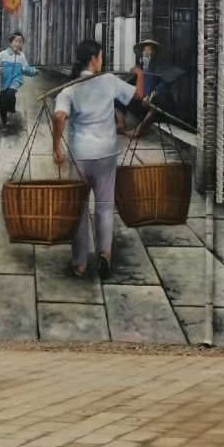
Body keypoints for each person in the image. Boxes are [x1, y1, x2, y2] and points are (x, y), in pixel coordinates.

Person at [52, 38, 150, 279]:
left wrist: (56, 147)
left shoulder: (69, 89)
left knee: (79, 209)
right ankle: (105, 254)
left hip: (80, 155)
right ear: (94, 59)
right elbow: (139, 95)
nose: (102, 61)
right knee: (105, 206)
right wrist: (139, 75)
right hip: (106, 154)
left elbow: (59, 117)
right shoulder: (109, 81)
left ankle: (80, 263)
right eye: (101, 57)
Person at [0, 31, 37, 128]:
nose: (18, 44)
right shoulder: (2, 54)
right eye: (16, 41)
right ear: (10, 42)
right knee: (2, 102)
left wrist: (34, 71)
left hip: (17, 80)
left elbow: (26, 69)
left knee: (11, 93)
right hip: (5, 82)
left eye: (20, 42)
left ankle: (11, 111)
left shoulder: (22, 56)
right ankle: (4, 121)